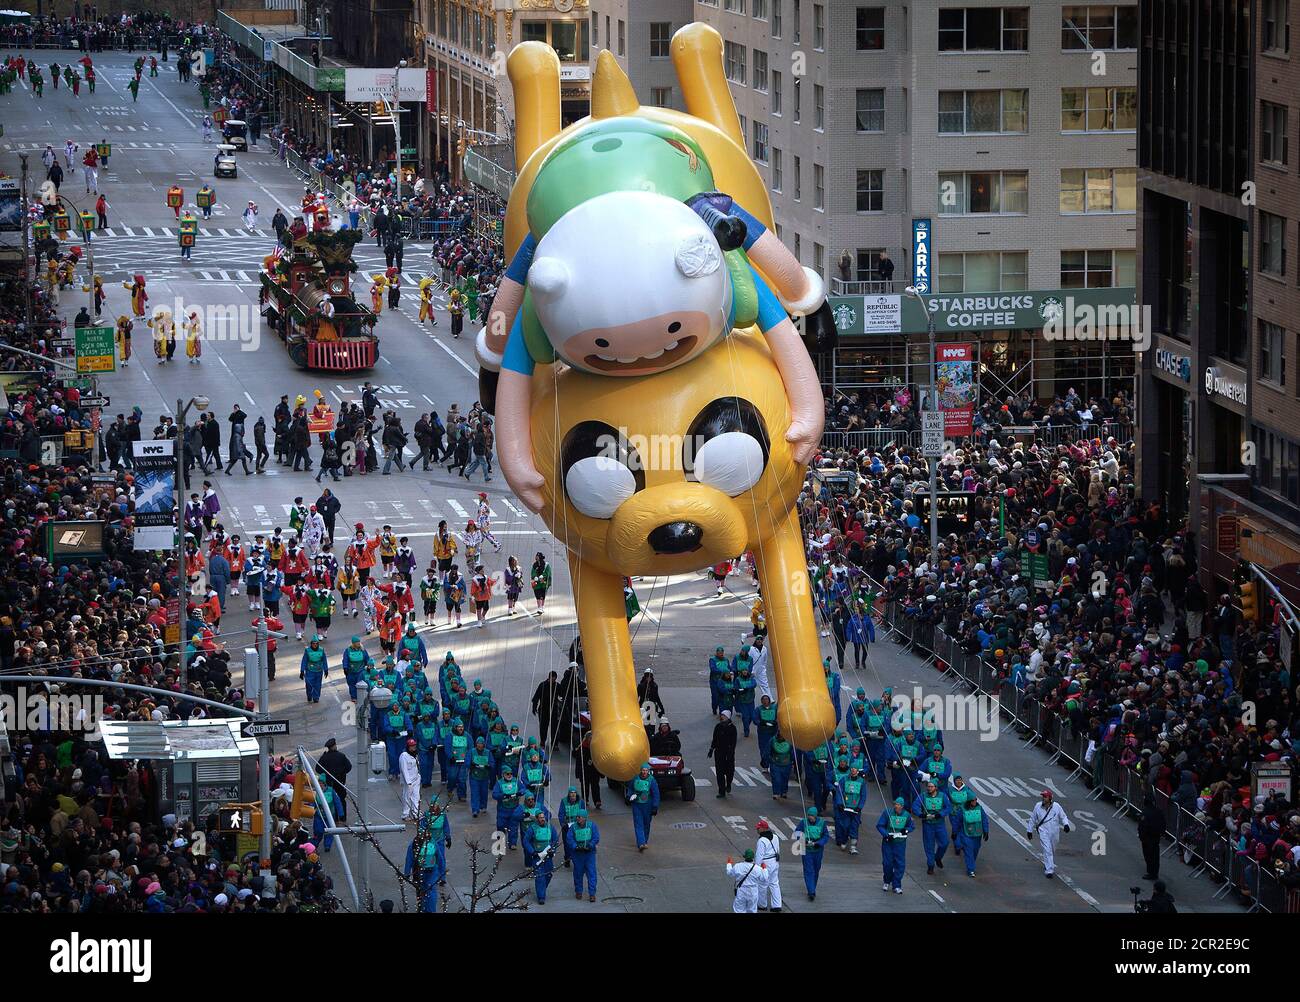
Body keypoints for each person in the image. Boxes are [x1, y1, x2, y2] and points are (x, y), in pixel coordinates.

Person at [405, 799, 452, 911]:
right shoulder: (415, 844)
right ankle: (423, 908)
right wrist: (407, 872)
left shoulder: (430, 842)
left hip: (431, 869)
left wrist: (442, 873)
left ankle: (429, 910)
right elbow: (410, 859)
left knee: (430, 892)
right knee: (422, 892)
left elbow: (440, 859)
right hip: (419, 871)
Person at [1026, 789, 1071, 878]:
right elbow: (1033, 819)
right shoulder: (1038, 806)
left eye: (1045, 796)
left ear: (1050, 798)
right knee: (1047, 849)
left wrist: (1066, 824)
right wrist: (1029, 830)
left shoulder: (1057, 806)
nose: (1043, 798)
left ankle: (1048, 862)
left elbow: (1063, 816)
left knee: (1052, 849)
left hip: (1055, 832)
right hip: (1043, 832)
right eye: (1043, 796)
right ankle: (1049, 870)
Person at [913, 779, 952, 874]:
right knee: (929, 846)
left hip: (939, 823)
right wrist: (921, 814)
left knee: (944, 843)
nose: (929, 788)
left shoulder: (942, 796)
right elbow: (915, 806)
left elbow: (948, 807)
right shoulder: (923, 796)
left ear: (936, 787)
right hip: (928, 824)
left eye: (931, 786)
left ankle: (938, 857)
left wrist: (941, 814)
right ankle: (930, 865)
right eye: (928, 786)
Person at [877, 797, 914, 894]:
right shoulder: (887, 813)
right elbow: (880, 825)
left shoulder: (907, 815)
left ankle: (897, 884)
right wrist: (886, 835)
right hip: (888, 842)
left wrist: (906, 830)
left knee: (900, 864)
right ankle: (887, 881)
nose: (896, 806)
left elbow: (911, 826)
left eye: (899, 805)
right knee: (887, 863)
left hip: (900, 843)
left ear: (902, 806)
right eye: (895, 804)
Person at [522, 812, 559, 905]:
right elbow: (526, 841)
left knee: (549, 874)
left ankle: (542, 889)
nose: (542, 819)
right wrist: (532, 852)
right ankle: (541, 896)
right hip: (537, 856)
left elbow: (555, 840)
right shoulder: (532, 828)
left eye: (543, 817)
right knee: (540, 877)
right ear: (537, 819)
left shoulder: (550, 827)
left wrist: (552, 851)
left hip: (548, 856)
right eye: (540, 818)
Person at [794, 806, 829, 900]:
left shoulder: (822, 823)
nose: (810, 817)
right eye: (809, 815)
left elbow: (826, 835)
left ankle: (812, 886)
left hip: (818, 850)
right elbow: (797, 832)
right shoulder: (803, 822)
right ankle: (811, 891)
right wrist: (802, 840)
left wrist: (819, 843)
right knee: (809, 870)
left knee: (816, 869)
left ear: (815, 816)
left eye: (812, 816)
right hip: (806, 850)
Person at [565, 809, 600, 901]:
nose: (577, 818)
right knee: (578, 873)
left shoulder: (592, 825)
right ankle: (578, 891)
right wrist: (575, 846)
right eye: (577, 817)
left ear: (584, 818)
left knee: (591, 873)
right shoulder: (573, 827)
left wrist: (590, 845)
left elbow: (596, 837)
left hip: (589, 853)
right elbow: (569, 839)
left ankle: (592, 893)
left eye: (579, 817)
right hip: (578, 854)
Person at [626, 762, 661, 851]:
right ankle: (641, 843)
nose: (644, 772)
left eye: (646, 770)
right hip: (637, 804)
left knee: (646, 823)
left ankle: (644, 841)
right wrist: (629, 796)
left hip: (647, 805)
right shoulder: (635, 778)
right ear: (641, 771)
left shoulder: (652, 780)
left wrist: (655, 806)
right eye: (643, 770)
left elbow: (656, 793)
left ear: (648, 771)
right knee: (638, 824)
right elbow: (630, 788)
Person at [956, 794, 989, 877]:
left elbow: (984, 819)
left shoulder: (979, 809)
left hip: (977, 834)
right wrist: (955, 832)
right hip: (966, 834)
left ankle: (971, 864)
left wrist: (986, 831)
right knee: (969, 851)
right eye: (973, 800)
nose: (975, 802)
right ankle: (971, 869)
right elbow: (958, 822)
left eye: (975, 800)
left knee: (975, 850)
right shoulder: (962, 809)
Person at [707, 708, 738, 798]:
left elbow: (733, 742)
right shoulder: (718, 727)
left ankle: (728, 784)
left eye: (724, 716)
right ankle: (721, 791)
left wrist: (731, 752)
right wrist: (711, 749)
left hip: (729, 753)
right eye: (721, 715)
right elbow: (715, 739)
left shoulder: (732, 728)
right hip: (719, 753)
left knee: (729, 771)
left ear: (728, 717)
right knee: (719, 772)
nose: (722, 717)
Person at [753, 819, 782, 912]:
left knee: (762, 884)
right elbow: (777, 850)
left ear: (763, 829)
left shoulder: (762, 840)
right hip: (775, 861)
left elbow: (759, 856)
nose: (757, 830)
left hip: (765, 863)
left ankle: (762, 905)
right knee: (774, 883)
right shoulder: (775, 836)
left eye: (758, 828)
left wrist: (756, 867)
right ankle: (777, 905)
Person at [1138, 792, 1164, 880]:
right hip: (1156, 837)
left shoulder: (1145, 812)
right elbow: (1163, 823)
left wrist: (1142, 836)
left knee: (1148, 856)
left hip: (1148, 838)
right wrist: (1161, 833)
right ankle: (1154, 872)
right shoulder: (1158, 811)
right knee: (1155, 856)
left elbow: (1142, 825)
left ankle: (1151, 872)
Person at [299, 634, 330, 703]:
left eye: (316, 643)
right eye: (313, 643)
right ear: (311, 644)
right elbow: (304, 661)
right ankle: (309, 695)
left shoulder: (321, 650)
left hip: (319, 670)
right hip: (310, 670)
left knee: (318, 685)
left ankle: (316, 697)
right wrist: (302, 670)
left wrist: (326, 669)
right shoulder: (308, 651)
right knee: (309, 684)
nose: (315, 645)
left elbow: (324, 660)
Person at [398, 739, 422, 821]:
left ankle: (416, 813)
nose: (413, 747)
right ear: (408, 747)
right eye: (411, 746)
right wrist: (408, 782)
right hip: (409, 781)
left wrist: (418, 776)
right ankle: (405, 814)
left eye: (414, 745)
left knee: (416, 797)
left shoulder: (415, 754)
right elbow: (404, 770)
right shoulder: (404, 756)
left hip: (416, 779)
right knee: (407, 797)